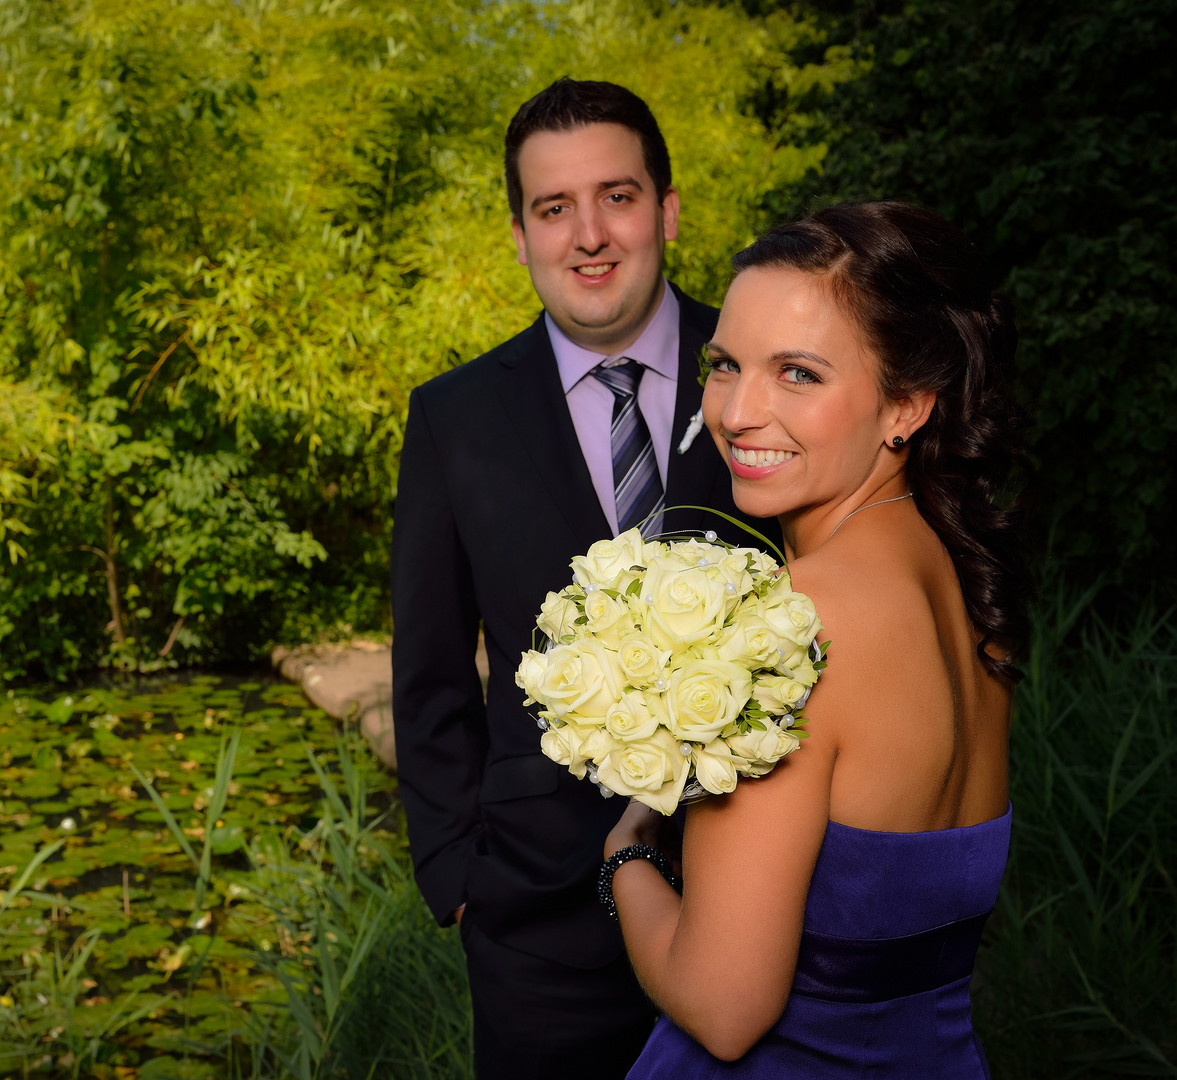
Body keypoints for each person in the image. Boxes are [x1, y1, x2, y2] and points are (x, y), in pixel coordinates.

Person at [389, 79, 779, 1080]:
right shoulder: (453, 418)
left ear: (668, 210)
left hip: (771, 895)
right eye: (554, 208)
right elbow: (430, 673)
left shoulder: (770, 380)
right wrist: (457, 875)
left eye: (618, 196)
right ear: (520, 234)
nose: (589, 235)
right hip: (536, 924)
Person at [606, 200, 1027, 1077]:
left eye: (796, 373)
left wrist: (627, 859)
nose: (739, 412)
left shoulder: (789, 625)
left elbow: (725, 1007)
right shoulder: (960, 585)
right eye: (725, 365)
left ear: (906, 404)